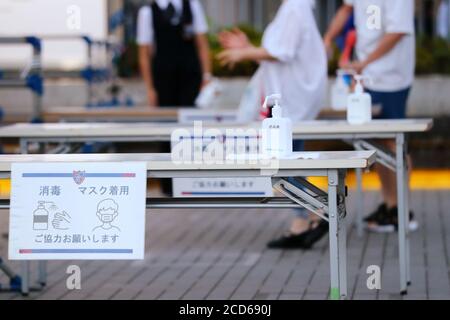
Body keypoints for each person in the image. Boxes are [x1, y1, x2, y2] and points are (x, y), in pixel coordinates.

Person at [218, 0, 328, 249]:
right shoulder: (295, 7)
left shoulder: (294, 7)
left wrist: (245, 52)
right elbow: (279, 53)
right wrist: (249, 48)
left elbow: (283, 51)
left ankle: (316, 213)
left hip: (292, 101)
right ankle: (307, 219)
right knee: (289, 162)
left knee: (284, 163)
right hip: (293, 100)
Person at [323, 0, 418, 233]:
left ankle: (401, 210)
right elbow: (346, 8)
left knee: (393, 141)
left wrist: (364, 62)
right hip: (365, 76)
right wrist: (328, 39)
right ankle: (388, 204)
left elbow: (397, 31)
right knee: (375, 140)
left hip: (391, 77)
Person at [137, 0, 212, 107]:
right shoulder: (147, 12)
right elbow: (144, 54)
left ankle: (197, 124)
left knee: (196, 119)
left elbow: (202, 44)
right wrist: (150, 89)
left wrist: (207, 76)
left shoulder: (192, 5)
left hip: (192, 77)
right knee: (166, 120)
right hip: (163, 79)